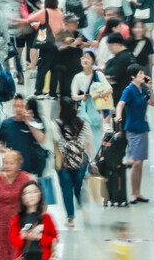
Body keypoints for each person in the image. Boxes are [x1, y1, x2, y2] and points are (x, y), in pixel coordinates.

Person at [114, 65, 154, 204]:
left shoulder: (142, 89)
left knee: (140, 162)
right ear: (132, 76)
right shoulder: (129, 90)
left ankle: (138, 192)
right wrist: (118, 115)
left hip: (143, 127)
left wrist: (150, 87)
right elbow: (120, 104)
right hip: (132, 128)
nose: (142, 75)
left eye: (143, 72)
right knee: (136, 161)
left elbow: (152, 102)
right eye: (139, 73)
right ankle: (133, 192)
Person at [53, 98, 94, 228]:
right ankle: (82, 204)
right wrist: (92, 161)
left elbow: (56, 142)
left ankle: (70, 217)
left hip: (63, 163)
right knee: (78, 186)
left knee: (66, 189)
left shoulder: (56, 125)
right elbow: (88, 143)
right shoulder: (83, 124)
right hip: (80, 161)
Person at [0, 95, 47, 177]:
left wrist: (28, 122)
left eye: (22, 106)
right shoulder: (6, 124)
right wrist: (5, 150)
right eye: (16, 106)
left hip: (30, 171)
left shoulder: (34, 122)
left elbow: (41, 139)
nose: (18, 109)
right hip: (13, 171)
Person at [9, 181, 58, 260]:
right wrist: (23, 236)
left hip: (43, 256)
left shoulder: (46, 217)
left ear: (39, 195)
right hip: (26, 256)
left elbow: (54, 240)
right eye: (27, 193)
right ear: (22, 197)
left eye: (34, 192)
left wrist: (39, 236)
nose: (31, 195)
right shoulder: (17, 218)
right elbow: (14, 241)